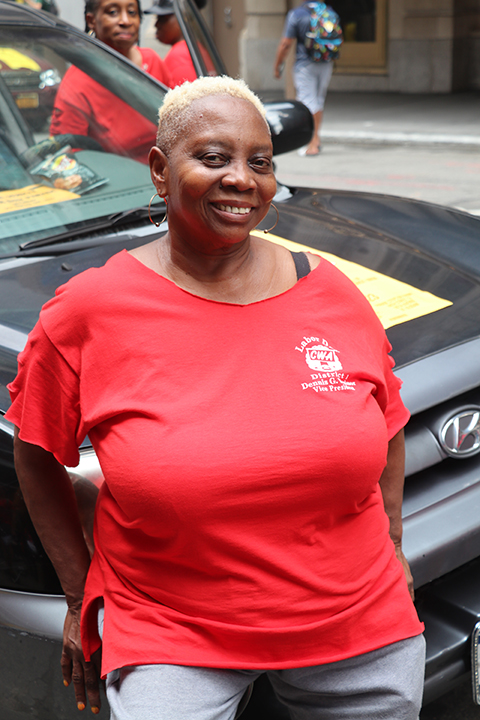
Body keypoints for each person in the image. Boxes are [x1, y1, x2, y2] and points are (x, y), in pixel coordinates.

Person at [8, 75, 425, 720]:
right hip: (170, 623)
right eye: (213, 157)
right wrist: (76, 593)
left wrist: (393, 544)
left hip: (353, 612)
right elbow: (35, 452)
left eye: (260, 162)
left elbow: (387, 420)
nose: (241, 179)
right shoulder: (90, 311)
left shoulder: (330, 292)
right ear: (159, 170)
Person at [50, 0, 171, 163]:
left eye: (132, 12)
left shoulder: (153, 61)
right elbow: (68, 157)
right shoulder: (76, 83)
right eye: (113, 12)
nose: (125, 21)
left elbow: (175, 126)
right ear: (91, 20)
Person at [274, 1, 341, 156]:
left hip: (305, 65)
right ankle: (316, 138)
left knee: (308, 101)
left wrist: (277, 65)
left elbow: (285, 43)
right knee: (318, 100)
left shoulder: (297, 14)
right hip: (326, 63)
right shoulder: (329, 12)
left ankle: (313, 142)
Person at [145, 0, 212, 87]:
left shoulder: (178, 55)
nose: (156, 24)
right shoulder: (195, 47)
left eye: (163, 19)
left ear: (184, 17)